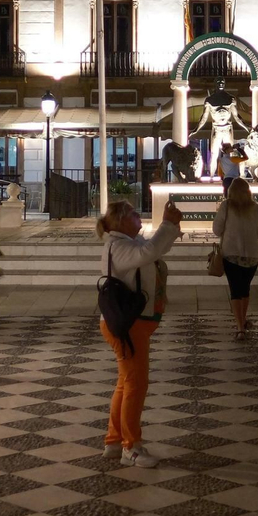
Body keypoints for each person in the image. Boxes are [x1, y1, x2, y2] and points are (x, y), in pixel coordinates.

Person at [98, 198, 182, 468]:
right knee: (136, 384)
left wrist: (171, 228)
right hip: (128, 325)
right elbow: (149, 252)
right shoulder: (118, 246)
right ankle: (130, 447)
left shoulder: (128, 242)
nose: (139, 217)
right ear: (121, 220)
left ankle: (114, 441)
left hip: (132, 323)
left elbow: (155, 250)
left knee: (126, 383)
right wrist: (167, 224)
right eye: (134, 214)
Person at [213, 178, 258, 339]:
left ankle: (240, 327)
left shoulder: (226, 206)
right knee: (245, 289)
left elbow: (216, 230)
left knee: (235, 290)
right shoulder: (255, 207)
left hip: (231, 255)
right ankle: (242, 321)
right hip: (252, 256)